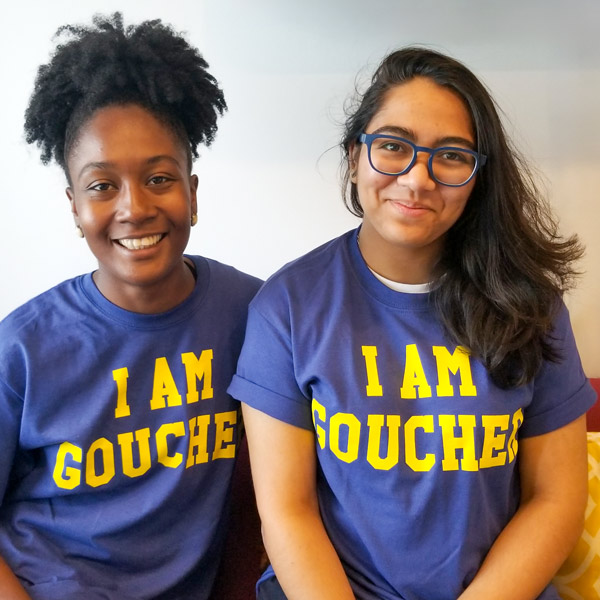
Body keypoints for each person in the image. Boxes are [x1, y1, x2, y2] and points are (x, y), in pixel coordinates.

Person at [228, 47, 597, 600]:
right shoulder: (286, 306)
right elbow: (288, 509)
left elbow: (556, 498)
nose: (418, 178)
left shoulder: (530, 305)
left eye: (450, 155)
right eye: (394, 147)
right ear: (355, 158)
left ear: (477, 177)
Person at [0, 13, 261, 600]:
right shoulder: (21, 348)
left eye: (160, 178)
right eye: (101, 186)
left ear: (193, 194)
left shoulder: (255, 314)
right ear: (74, 206)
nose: (134, 208)